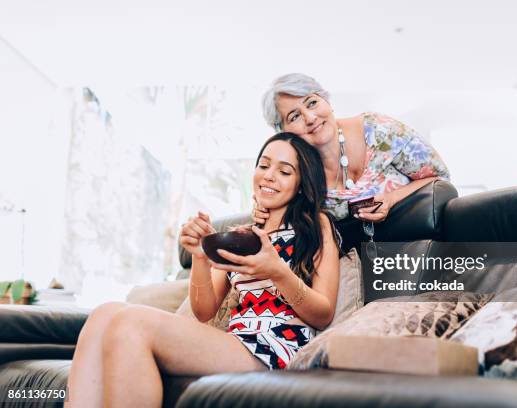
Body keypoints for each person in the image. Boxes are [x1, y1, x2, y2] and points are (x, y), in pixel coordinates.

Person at [66, 132, 340, 407]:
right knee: (104, 315)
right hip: (236, 342)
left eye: (284, 171)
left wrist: (277, 271)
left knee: (131, 323)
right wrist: (200, 256)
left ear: (301, 184)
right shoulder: (241, 236)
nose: (269, 176)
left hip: (274, 351)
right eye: (264, 165)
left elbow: (323, 313)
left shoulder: (316, 226)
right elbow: (204, 310)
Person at [255, 73, 450, 250]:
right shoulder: (295, 169)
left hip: (418, 252)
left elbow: (440, 177)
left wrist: (391, 200)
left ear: (326, 101)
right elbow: (280, 210)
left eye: (312, 103)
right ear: (284, 132)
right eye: (295, 116)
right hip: (354, 271)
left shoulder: (379, 130)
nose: (310, 118)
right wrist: (262, 209)